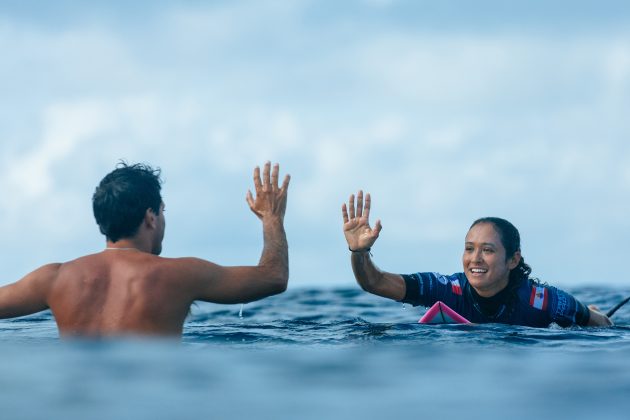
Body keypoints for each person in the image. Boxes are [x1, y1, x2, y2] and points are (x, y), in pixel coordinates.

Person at [0, 161, 290, 337]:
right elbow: (273, 277)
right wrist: (272, 218)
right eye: (162, 211)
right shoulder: (180, 274)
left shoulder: (54, 278)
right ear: (151, 217)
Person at [342, 190, 612, 327]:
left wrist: (597, 318)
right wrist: (359, 252)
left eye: (488, 250)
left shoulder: (546, 301)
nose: (475, 259)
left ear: (513, 260)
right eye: (469, 248)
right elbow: (374, 282)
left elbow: (602, 326)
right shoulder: (446, 290)